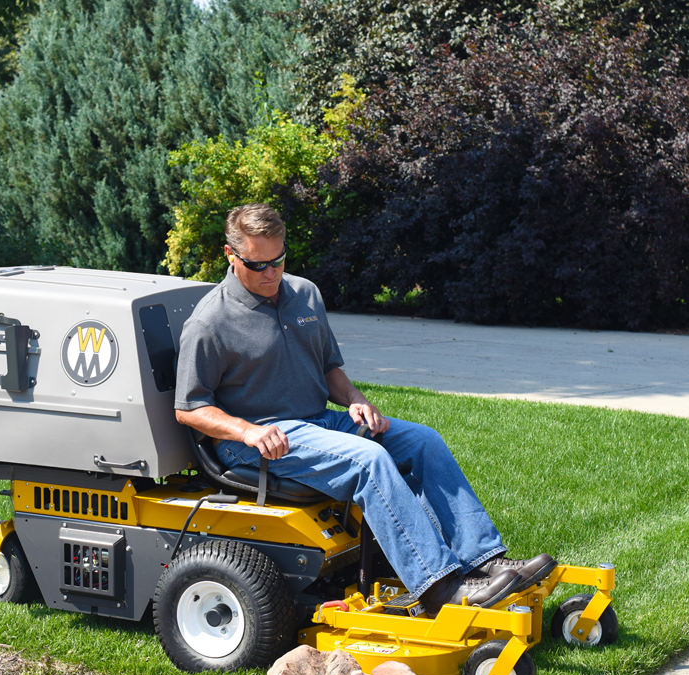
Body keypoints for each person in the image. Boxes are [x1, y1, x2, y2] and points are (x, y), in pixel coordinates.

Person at [173, 203, 551, 616]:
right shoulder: (210, 322)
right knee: (369, 460)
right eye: (258, 263)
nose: (271, 273)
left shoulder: (305, 294)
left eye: (279, 260)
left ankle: (482, 558)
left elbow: (329, 368)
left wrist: (355, 400)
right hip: (260, 440)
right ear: (231, 256)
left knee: (423, 441)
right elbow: (190, 408)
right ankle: (439, 587)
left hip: (320, 421)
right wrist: (247, 432)